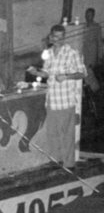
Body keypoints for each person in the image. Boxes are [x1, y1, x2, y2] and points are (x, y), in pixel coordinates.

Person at [28, 24, 86, 169]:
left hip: (66, 100)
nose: (58, 39)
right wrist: (35, 72)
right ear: (51, 37)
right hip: (52, 100)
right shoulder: (48, 53)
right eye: (55, 36)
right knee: (52, 134)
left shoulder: (72, 53)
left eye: (61, 37)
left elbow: (82, 73)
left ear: (65, 37)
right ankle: (56, 162)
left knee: (67, 134)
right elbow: (47, 73)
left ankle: (69, 165)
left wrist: (66, 76)